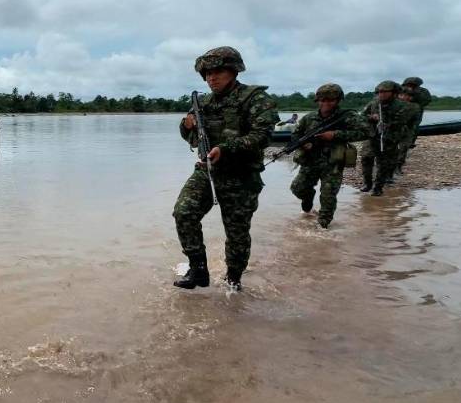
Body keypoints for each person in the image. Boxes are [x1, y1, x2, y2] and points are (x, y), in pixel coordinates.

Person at [173, 46, 279, 291]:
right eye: (208, 73)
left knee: (237, 233)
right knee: (183, 212)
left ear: (233, 71)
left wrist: (227, 148)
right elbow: (191, 138)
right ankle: (198, 270)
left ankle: (234, 280)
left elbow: (262, 136)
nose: (212, 77)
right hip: (207, 171)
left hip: (241, 176)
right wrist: (186, 125)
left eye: (218, 71)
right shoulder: (203, 103)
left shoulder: (255, 99)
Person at [288, 84, 367, 228]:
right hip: (310, 160)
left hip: (333, 162)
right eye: (322, 100)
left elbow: (366, 131)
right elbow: (296, 135)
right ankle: (308, 200)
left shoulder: (347, 117)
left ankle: (323, 227)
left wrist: (335, 135)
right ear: (318, 100)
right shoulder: (309, 118)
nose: (326, 103)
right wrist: (303, 144)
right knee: (297, 188)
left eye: (330, 100)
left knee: (328, 196)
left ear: (338, 100)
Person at [359, 80, 407, 196]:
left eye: (385, 92)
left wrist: (387, 124)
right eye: (379, 92)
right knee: (366, 158)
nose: (382, 94)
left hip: (389, 138)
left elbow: (402, 121)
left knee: (383, 163)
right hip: (372, 135)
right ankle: (367, 183)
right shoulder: (373, 103)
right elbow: (361, 116)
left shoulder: (401, 106)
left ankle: (378, 187)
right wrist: (371, 118)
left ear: (393, 93)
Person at [395, 85, 421, 174]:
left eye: (408, 95)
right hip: (393, 130)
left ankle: (398, 167)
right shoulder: (393, 104)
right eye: (401, 95)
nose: (403, 97)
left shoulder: (415, 107)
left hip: (407, 131)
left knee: (403, 149)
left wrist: (412, 132)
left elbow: (415, 120)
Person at [401, 76, 431, 148]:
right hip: (402, 111)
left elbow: (427, 100)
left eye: (413, 85)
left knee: (414, 127)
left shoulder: (423, 91)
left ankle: (410, 142)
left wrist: (413, 98)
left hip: (416, 112)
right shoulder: (400, 89)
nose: (410, 86)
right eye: (409, 84)